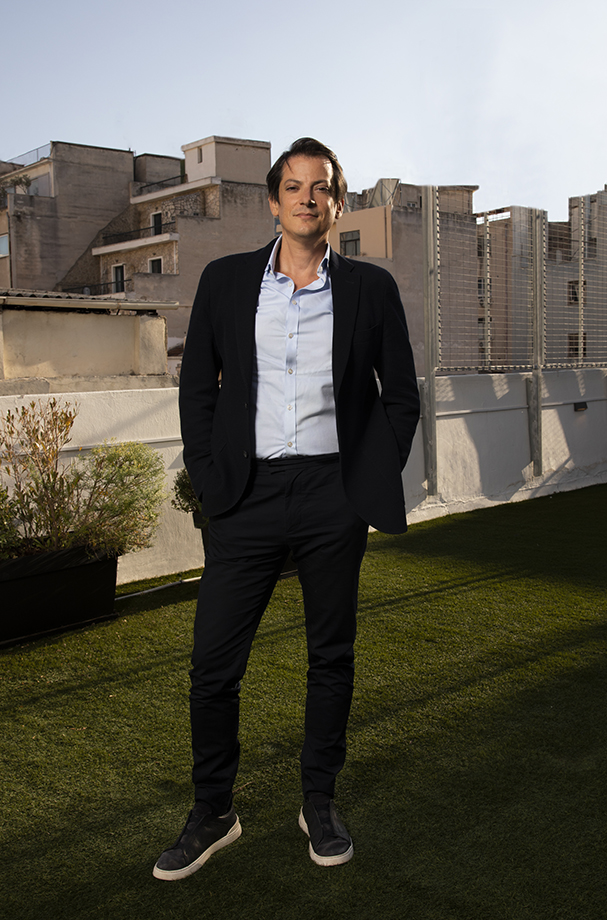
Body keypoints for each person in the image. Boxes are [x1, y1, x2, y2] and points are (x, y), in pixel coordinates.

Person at [153, 137, 420, 880]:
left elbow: (400, 395)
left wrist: (366, 480)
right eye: (294, 186)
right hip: (246, 496)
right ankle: (214, 812)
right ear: (273, 202)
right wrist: (211, 479)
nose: (308, 198)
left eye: (321, 186)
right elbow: (197, 388)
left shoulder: (371, 288)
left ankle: (319, 801)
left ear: (337, 203)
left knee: (330, 656)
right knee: (212, 665)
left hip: (333, 494)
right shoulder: (226, 281)